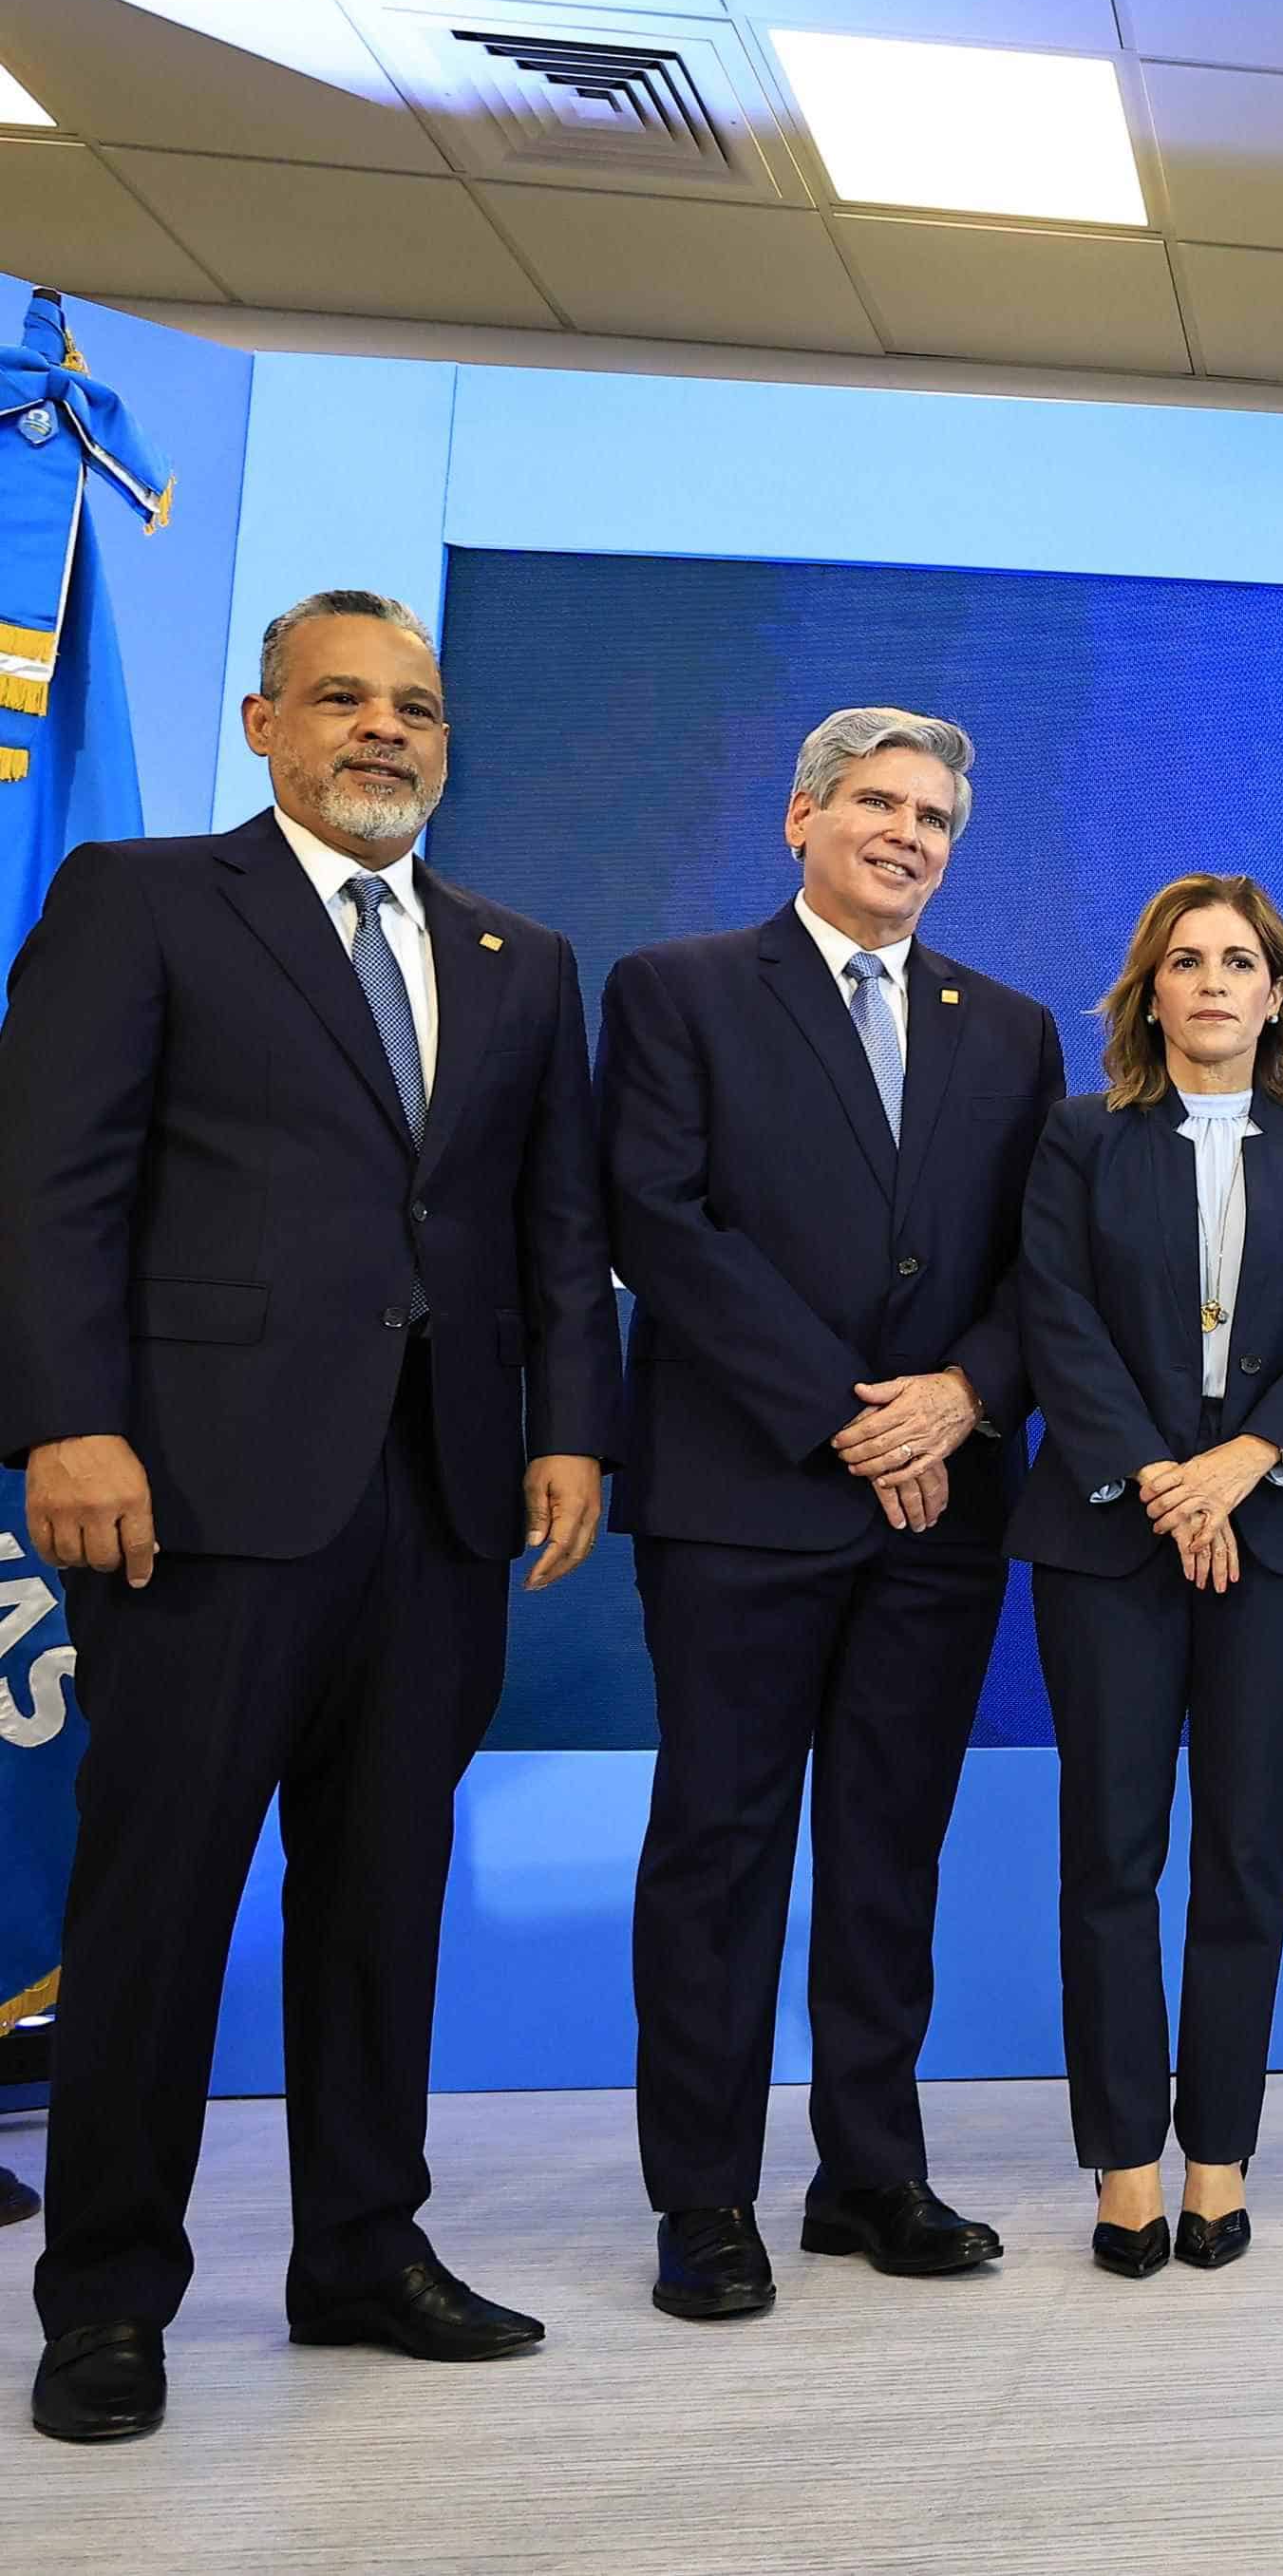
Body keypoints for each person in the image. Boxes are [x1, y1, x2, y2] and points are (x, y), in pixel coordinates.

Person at [1, 591, 618, 2443]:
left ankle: (359, 2251)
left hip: (440, 1503)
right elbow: (47, 1181)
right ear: (265, 722)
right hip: (196, 1498)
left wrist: (570, 1433)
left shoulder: (520, 954)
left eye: (413, 705)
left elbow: (554, 1226)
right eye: (342, 697)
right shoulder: (141, 898)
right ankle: (108, 2301)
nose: (383, 729)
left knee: (379, 1901)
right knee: (158, 1907)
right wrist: (67, 1422)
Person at [602, 708, 1064, 2321]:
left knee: (887, 1850)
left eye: (934, 815)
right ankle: (704, 2196)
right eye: (878, 801)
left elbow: (1043, 1260)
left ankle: (869, 2171)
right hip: (745, 1497)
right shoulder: (678, 990)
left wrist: (964, 1394)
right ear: (801, 816)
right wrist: (856, 1417)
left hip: (942, 1509)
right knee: (720, 1850)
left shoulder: (1009, 1027)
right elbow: (660, 1222)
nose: (908, 833)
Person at [1012, 874, 1283, 2272]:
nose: (1214, 982)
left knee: (1246, 1850)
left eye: (1240, 961)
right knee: (1110, 1853)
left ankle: (1218, 2158)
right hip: (1109, 1536)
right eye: (1187, 961)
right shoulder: (1080, 1137)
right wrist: (1164, 1479)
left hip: (1278, 1539)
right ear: (1149, 992)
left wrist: (1241, 1464)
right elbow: (1056, 1314)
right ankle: (1125, 2165)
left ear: (1277, 994)